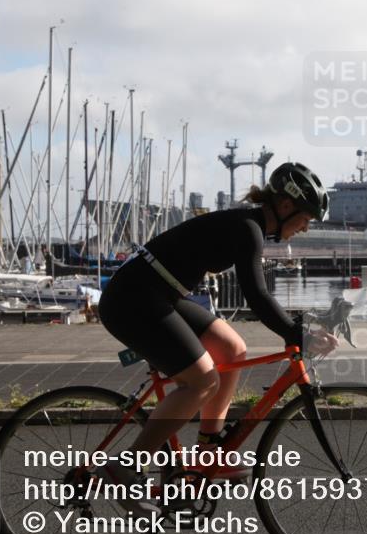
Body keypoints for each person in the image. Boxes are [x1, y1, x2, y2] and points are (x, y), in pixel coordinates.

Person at [96, 162, 339, 514]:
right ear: (286, 206)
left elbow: (259, 297)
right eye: (306, 218)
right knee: (202, 381)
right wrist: (296, 333)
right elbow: (256, 296)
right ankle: (128, 465)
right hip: (133, 299)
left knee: (232, 348)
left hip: (158, 293)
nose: (305, 227)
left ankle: (209, 451)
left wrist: (298, 325)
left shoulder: (248, 226)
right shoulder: (247, 229)